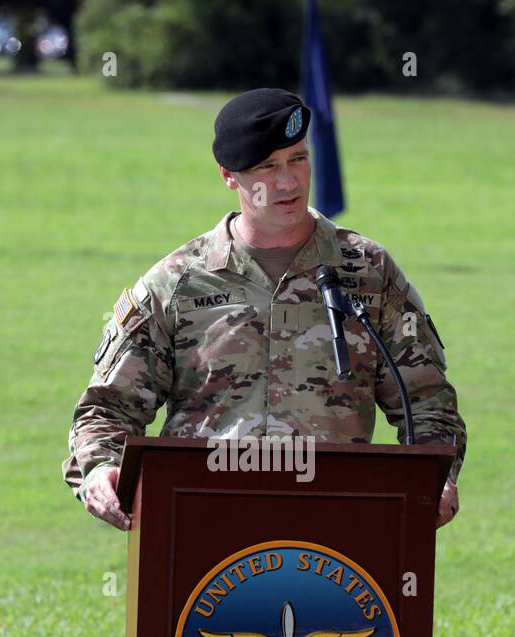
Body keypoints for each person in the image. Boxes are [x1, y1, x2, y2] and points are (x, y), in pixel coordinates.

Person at [62, 87, 466, 531]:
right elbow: (107, 409)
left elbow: (426, 400)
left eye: (298, 159)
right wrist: (101, 470)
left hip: (336, 526)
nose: (289, 181)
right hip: (202, 520)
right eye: (267, 168)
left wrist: (436, 478)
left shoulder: (368, 272)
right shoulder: (178, 283)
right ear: (228, 175)